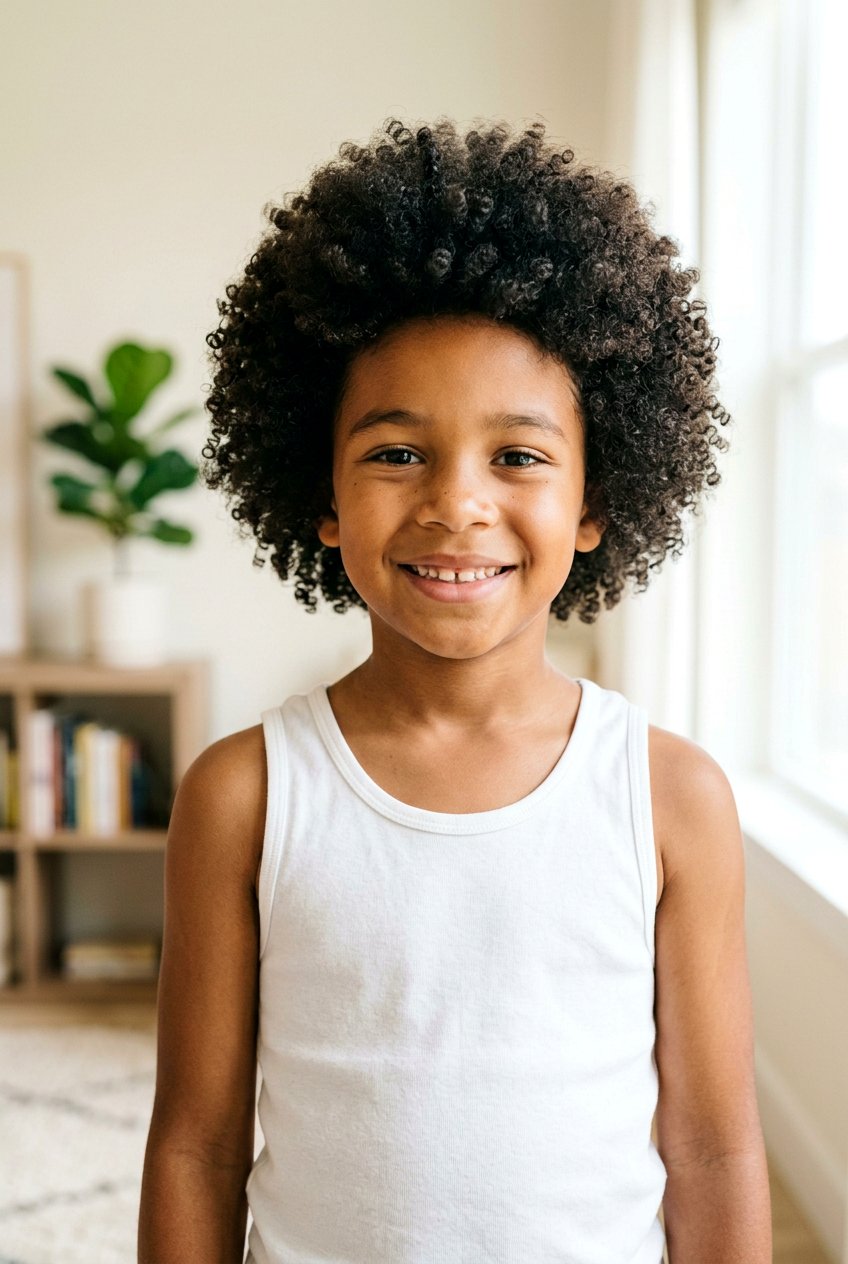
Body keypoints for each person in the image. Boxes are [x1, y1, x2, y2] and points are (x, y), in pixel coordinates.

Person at [138, 117, 772, 1264]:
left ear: (594, 502)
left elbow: (715, 1149)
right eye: (394, 453)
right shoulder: (242, 793)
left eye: (517, 456)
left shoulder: (670, 798)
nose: (455, 504)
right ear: (318, 493)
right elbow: (194, 1145)